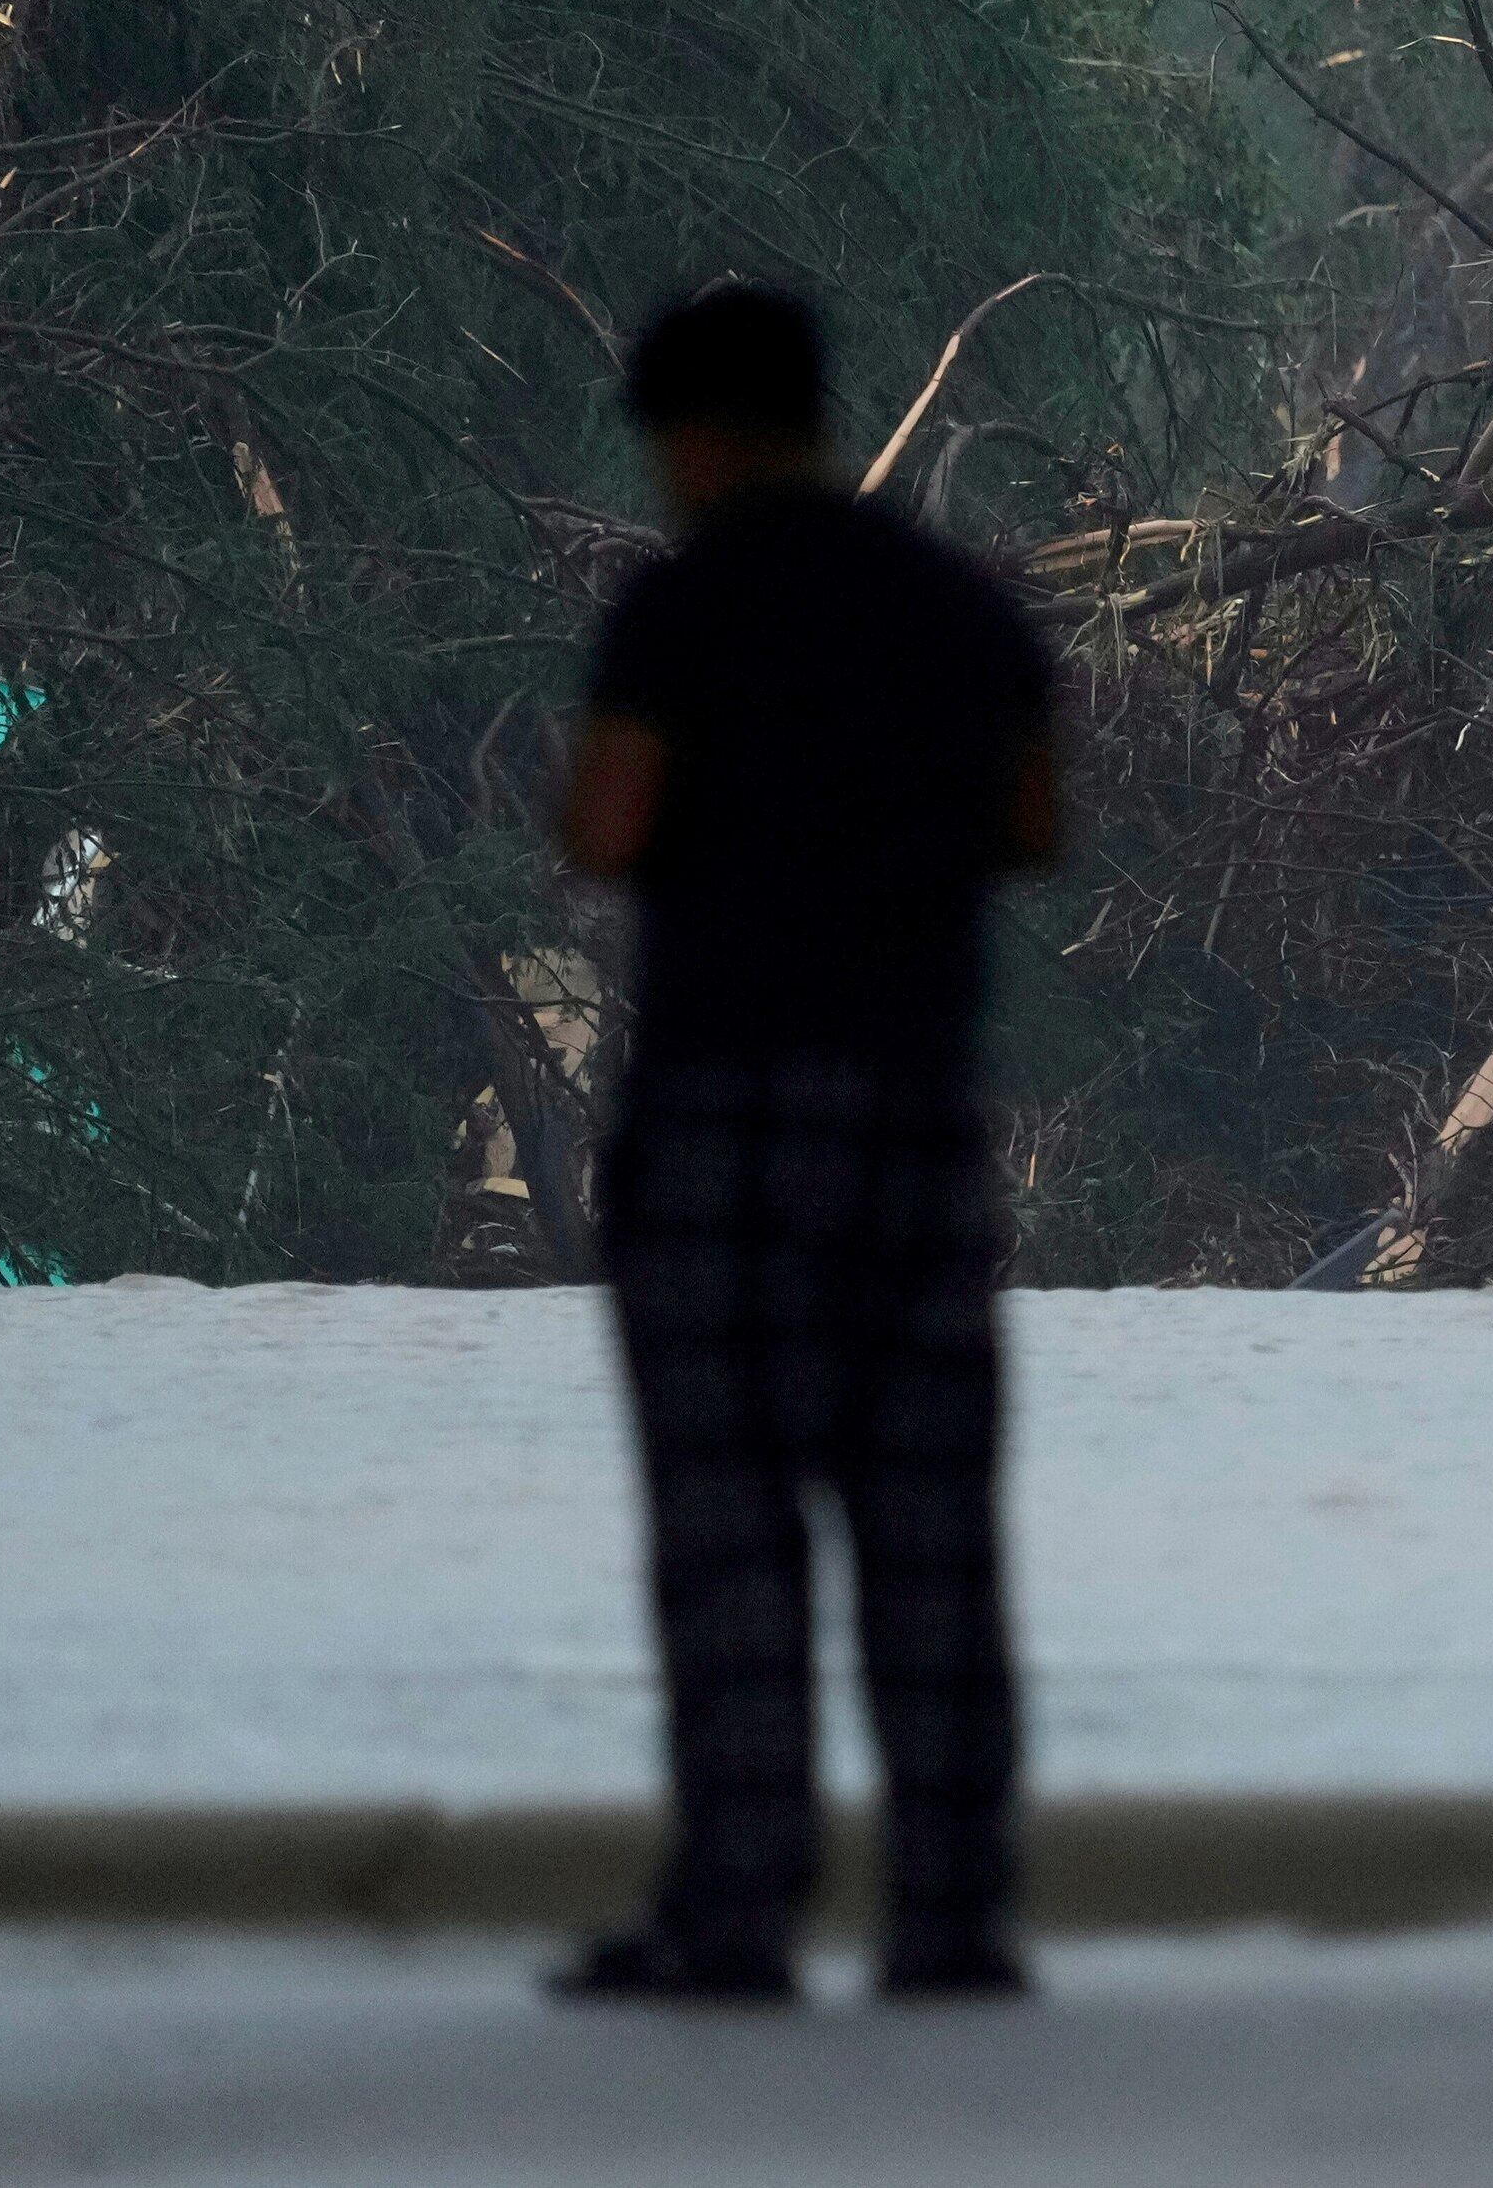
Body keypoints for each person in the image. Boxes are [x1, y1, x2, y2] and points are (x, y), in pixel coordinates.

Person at [548, 285, 1063, 2005]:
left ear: (693, 432)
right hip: (911, 1112)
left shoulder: (681, 608)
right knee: (927, 1530)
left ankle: (739, 1910)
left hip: (723, 1113)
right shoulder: (948, 601)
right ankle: (949, 1915)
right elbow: (1031, 817)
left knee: (732, 1533)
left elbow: (609, 825)